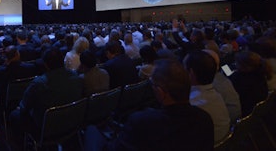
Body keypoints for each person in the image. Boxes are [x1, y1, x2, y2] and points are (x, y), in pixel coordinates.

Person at [84, 59, 214, 151]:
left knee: (91, 131)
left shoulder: (141, 122)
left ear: (160, 92)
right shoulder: (205, 118)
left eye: (153, 85)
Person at [8, 47, 83, 149]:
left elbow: (24, 107)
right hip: (72, 124)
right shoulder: (76, 76)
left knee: (14, 115)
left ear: (46, 65)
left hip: (46, 129)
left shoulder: (39, 83)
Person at [183, 50, 230, 144]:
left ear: (191, 72)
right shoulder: (217, 95)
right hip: (226, 141)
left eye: (183, 68)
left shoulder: (192, 104)